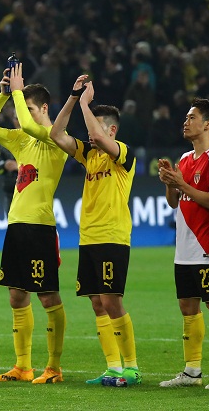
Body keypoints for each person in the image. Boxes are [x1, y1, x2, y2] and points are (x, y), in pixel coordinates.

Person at [0, 64, 68, 383]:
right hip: (16, 226)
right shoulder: (21, 140)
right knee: (17, 296)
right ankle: (23, 366)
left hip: (40, 227)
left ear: (44, 108)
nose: (19, 115)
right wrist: (4, 96)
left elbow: (30, 127)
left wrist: (17, 91)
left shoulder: (57, 137)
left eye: (27, 108)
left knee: (47, 296)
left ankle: (54, 367)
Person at [49, 78, 142, 385]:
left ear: (111, 130)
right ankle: (113, 367)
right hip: (88, 237)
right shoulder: (88, 156)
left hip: (112, 235)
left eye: (98, 126)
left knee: (111, 299)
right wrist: (75, 98)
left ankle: (132, 367)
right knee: (96, 301)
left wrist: (87, 106)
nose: (91, 134)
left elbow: (95, 136)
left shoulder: (122, 153)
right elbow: (56, 134)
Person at [158, 98, 209, 390]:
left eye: (191, 117)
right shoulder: (185, 159)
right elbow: (175, 202)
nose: (185, 122)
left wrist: (183, 184)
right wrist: (169, 182)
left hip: (208, 246)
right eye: (186, 117)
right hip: (185, 248)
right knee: (187, 306)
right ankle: (192, 371)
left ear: (207, 124)